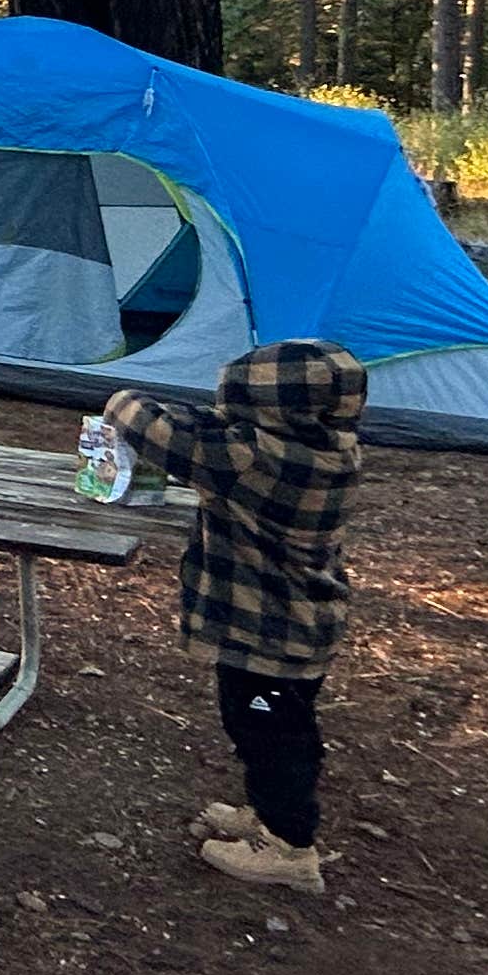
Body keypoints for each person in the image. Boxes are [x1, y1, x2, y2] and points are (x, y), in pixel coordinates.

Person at [100, 339, 368, 895]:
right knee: (277, 723)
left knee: (269, 731)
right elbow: (217, 431)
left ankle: (289, 846)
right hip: (303, 626)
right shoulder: (330, 444)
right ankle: (266, 813)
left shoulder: (250, 457)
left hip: (264, 630)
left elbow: (140, 420)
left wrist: (123, 395)